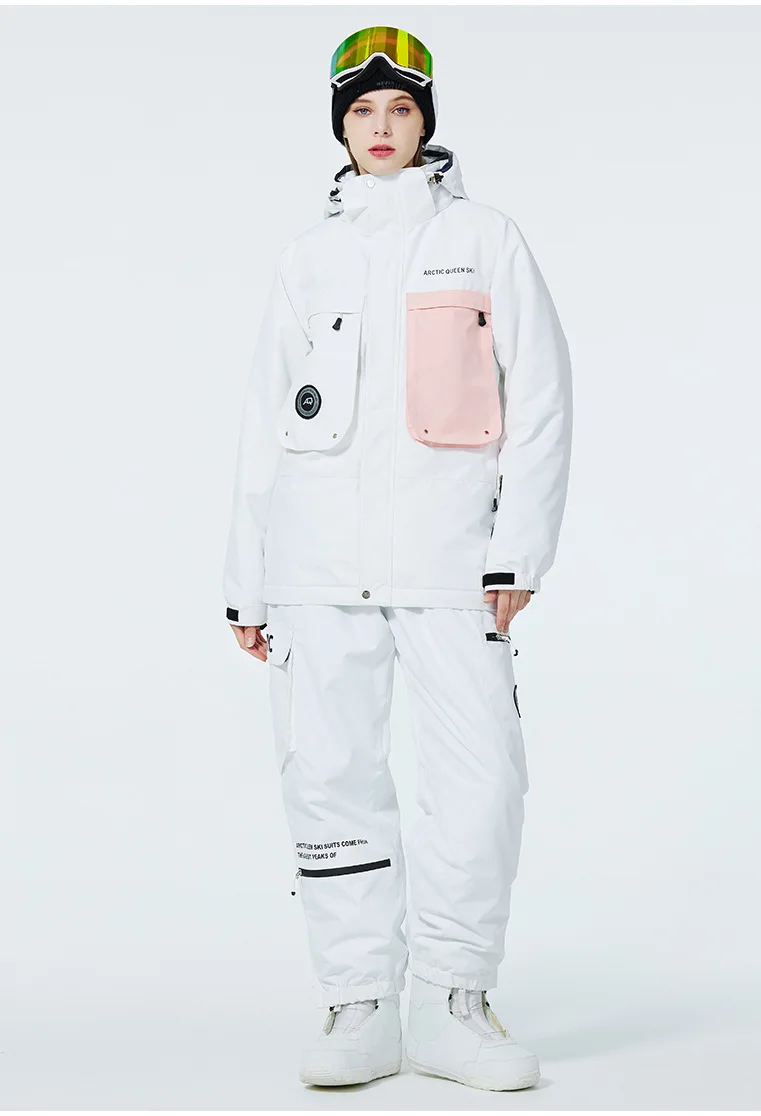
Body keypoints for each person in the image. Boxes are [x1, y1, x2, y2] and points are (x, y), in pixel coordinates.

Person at [222, 25, 573, 1092]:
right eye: (363, 112)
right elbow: (264, 424)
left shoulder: (484, 239)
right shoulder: (308, 257)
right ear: (341, 126)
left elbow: (541, 399)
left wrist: (518, 551)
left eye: (401, 110)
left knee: (482, 780)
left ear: (426, 123)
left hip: (450, 561)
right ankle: (360, 1001)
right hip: (316, 564)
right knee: (329, 776)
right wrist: (246, 578)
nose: (381, 128)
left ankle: (453, 1000)